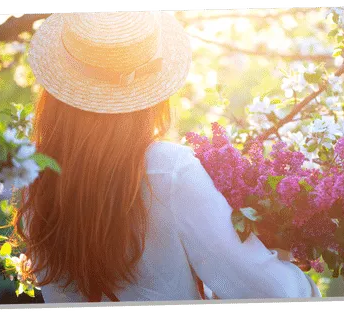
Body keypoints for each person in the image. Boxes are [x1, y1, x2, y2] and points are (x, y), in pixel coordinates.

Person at [16, 10, 321, 303]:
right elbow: (270, 294)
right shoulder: (169, 170)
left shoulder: (33, 177)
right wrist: (295, 274)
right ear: (152, 93)